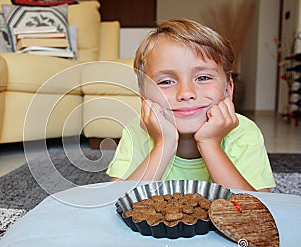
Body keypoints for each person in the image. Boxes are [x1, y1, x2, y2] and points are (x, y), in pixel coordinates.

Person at [106, 18, 275, 192]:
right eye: (166, 81)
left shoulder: (244, 132)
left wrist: (210, 143)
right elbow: (115, 203)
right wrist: (164, 145)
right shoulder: (136, 131)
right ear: (143, 95)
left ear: (228, 90)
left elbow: (254, 212)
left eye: (203, 78)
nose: (186, 93)